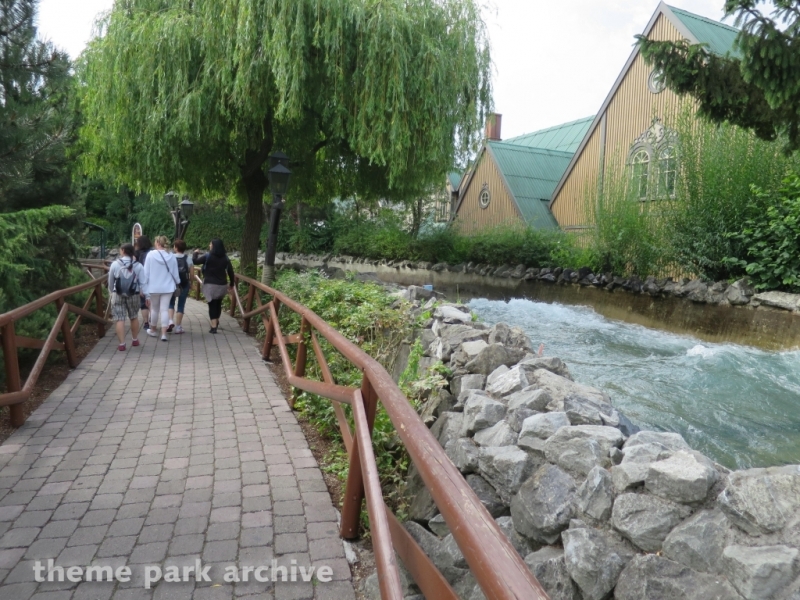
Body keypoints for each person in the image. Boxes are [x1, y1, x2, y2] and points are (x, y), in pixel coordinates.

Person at [107, 243, 147, 351]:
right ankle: (135, 339)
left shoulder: (115, 264)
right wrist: (146, 296)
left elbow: (110, 281)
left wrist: (112, 291)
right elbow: (143, 282)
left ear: (123, 251)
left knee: (119, 318)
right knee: (133, 316)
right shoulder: (138, 265)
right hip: (134, 293)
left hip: (118, 293)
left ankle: (122, 344)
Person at [193, 238, 234, 333]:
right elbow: (231, 272)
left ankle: (214, 326)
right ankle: (216, 320)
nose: (209, 245)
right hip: (222, 285)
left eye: (210, 244)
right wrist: (232, 283)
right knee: (218, 304)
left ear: (214, 246)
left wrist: (195, 253)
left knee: (212, 305)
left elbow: (195, 261)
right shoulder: (225, 258)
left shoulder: (208, 256)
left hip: (210, 285)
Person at [143, 235, 179, 341]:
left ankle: (153, 330)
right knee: (164, 310)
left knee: (154, 309)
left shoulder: (150, 255)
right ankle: (164, 334)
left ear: (158, 243)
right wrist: (178, 282)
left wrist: (144, 287)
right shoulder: (172, 256)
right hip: (168, 287)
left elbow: (146, 273)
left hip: (153, 287)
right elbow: (176, 274)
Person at [168, 239, 194, 334]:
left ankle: (170, 321)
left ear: (175, 248)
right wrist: (191, 282)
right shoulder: (188, 258)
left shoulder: (170, 257)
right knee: (181, 305)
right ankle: (178, 327)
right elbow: (192, 273)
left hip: (171, 284)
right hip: (184, 284)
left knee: (170, 303)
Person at [134, 235, 153, 331]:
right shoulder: (153, 252)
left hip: (141, 280)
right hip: (153, 280)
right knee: (152, 302)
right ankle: (152, 320)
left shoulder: (136, 253)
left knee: (143, 303)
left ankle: (146, 322)